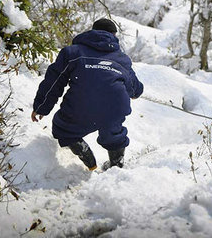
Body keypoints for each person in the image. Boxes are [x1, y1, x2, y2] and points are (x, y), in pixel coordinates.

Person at [31, 18, 143, 171]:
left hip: (82, 105)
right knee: (113, 132)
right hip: (114, 107)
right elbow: (134, 88)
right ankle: (116, 167)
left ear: (93, 31)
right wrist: (136, 92)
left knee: (63, 129)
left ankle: (88, 160)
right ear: (114, 36)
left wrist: (42, 107)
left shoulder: (73, 52)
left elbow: (54, 80)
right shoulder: (122, 59)